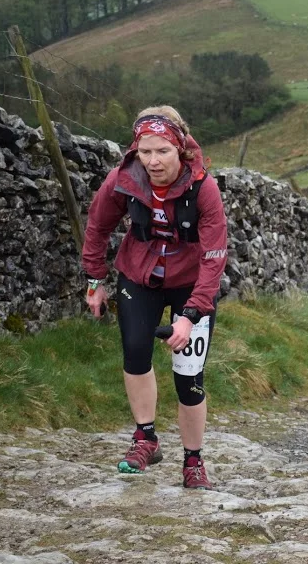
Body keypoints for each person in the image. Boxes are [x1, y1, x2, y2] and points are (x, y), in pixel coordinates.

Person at [82, 106, 228, 490]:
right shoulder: (123, 178)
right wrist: (95, 279)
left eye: (162, 150)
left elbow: (214, 257)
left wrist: (191, 314)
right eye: (145, 151)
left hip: (191, 282)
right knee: (134, 352)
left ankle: (193, 462)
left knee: (189, 377)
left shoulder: (204, 188)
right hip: (139, 273)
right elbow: (98, 227)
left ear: (179, 149)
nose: (153, 160)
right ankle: (145, 438)